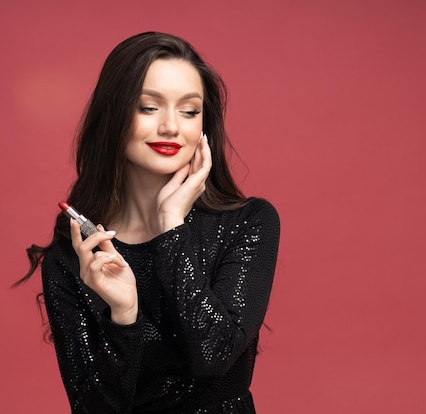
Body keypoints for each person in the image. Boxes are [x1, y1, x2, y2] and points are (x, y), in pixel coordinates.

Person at [17, 31, 280, 414]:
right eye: (148, 107)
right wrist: (123, 317)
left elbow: (214, 355)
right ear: (113, 117)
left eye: (189, 111)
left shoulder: (247, 223)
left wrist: (171, 228)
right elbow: (93, 408)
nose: (172, 127)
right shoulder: (79, 252)